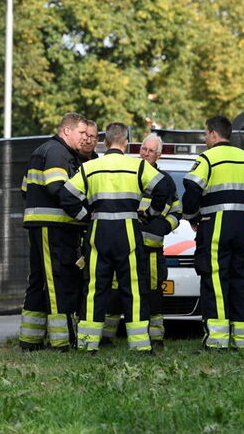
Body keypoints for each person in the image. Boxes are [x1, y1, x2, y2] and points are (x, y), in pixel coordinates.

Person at [59, 122, 173, 353]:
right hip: (128, 232)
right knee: (133, 288)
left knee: (95, 287)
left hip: (98, 231)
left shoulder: (91, 167)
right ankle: (140, 345)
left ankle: (87, 344)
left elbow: (66, 194)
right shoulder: (137, 166)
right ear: (126, 143)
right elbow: (164, 187)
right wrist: (150, 214)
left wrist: (86, 216)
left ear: (105, 142)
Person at [182, 115, 244, 349]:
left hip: (215, 225)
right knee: (241, 278)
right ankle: (243, 339)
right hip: (242, 226)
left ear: (214, 134)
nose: (205, 139)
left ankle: (216, 340)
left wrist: (193, 216)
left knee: (215, 278)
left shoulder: (207, 158)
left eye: (206, 134)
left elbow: (191, 189)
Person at [18, 112, 88, 351]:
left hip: (42, 225)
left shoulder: (44, 150)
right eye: (81, 133)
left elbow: (25, 189)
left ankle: (30, 338)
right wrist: (81, 213)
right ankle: (62, 340)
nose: (85, 138)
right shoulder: (58, 153)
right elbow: (57, 187)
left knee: (39, 280)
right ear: (66, 130)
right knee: (57, 279)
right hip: (54, 226)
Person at [136, 133, 182, 350]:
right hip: (130, 247)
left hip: (153, 250)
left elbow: (177, 210)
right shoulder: (130, 175)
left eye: (151, 151)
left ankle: (156, 337)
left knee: (154, 293)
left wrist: (166, 226)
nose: (145, 154)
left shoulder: (166, 181)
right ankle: (114, 336)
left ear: (158, 155)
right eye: (144, 149)